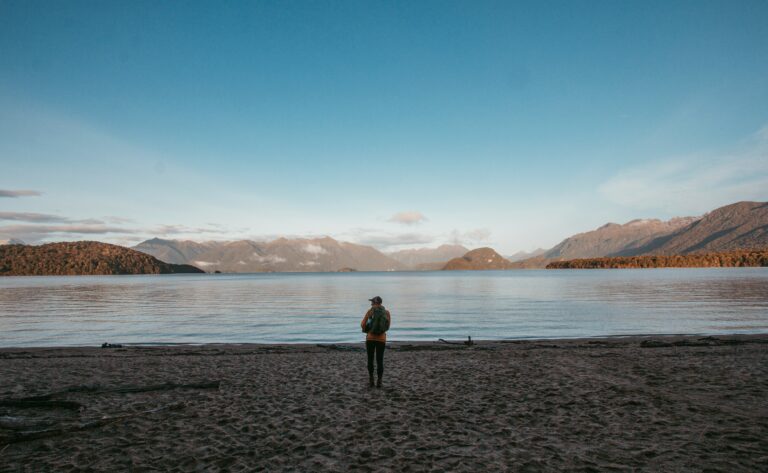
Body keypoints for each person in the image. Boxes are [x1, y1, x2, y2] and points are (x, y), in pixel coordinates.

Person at [360, 296, 391, 388]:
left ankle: (371, 380)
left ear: (375, 303)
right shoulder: (386, 312)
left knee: (370, 359)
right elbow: (387, 327)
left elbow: (362, 324)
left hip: (370, 339)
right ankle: (379, 381)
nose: (371, 304)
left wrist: (368, 330)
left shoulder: (370, 312)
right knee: (380, 360)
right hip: (381, 339)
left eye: (372, 302)